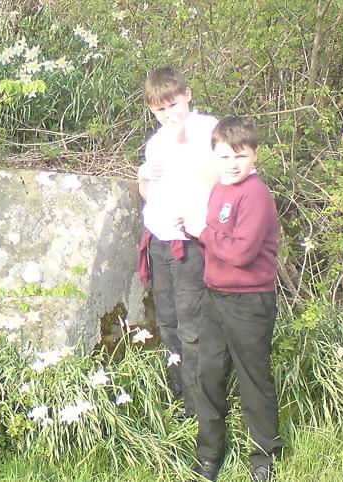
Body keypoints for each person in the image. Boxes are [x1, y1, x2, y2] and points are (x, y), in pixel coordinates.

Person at [179, 116, 283, 482]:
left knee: (253, 379)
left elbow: (240, 253)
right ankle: (209, 455)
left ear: (255, 154)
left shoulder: (255, 193)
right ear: (215, 157)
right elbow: (216, 241)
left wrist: (203, 232)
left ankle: (264, 458)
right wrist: (192, 232)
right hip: (216, 298)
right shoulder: (220, 190)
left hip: (249, 302)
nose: (233, 164)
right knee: (208, 375)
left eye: (241, 155)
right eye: (224, 157)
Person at [137, 67, 219, 418]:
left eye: (173, 104)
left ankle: (202, 408)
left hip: (190, 244)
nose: (168, 114)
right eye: (160, 110)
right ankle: (179, 397)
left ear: (188, 95)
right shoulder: (155, 143)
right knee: (168, 322)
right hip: (159, 240)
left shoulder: (207, 129)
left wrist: (184, 141)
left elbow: (221, 178)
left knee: (192, 328)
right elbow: (149, 196)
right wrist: (141, 177)